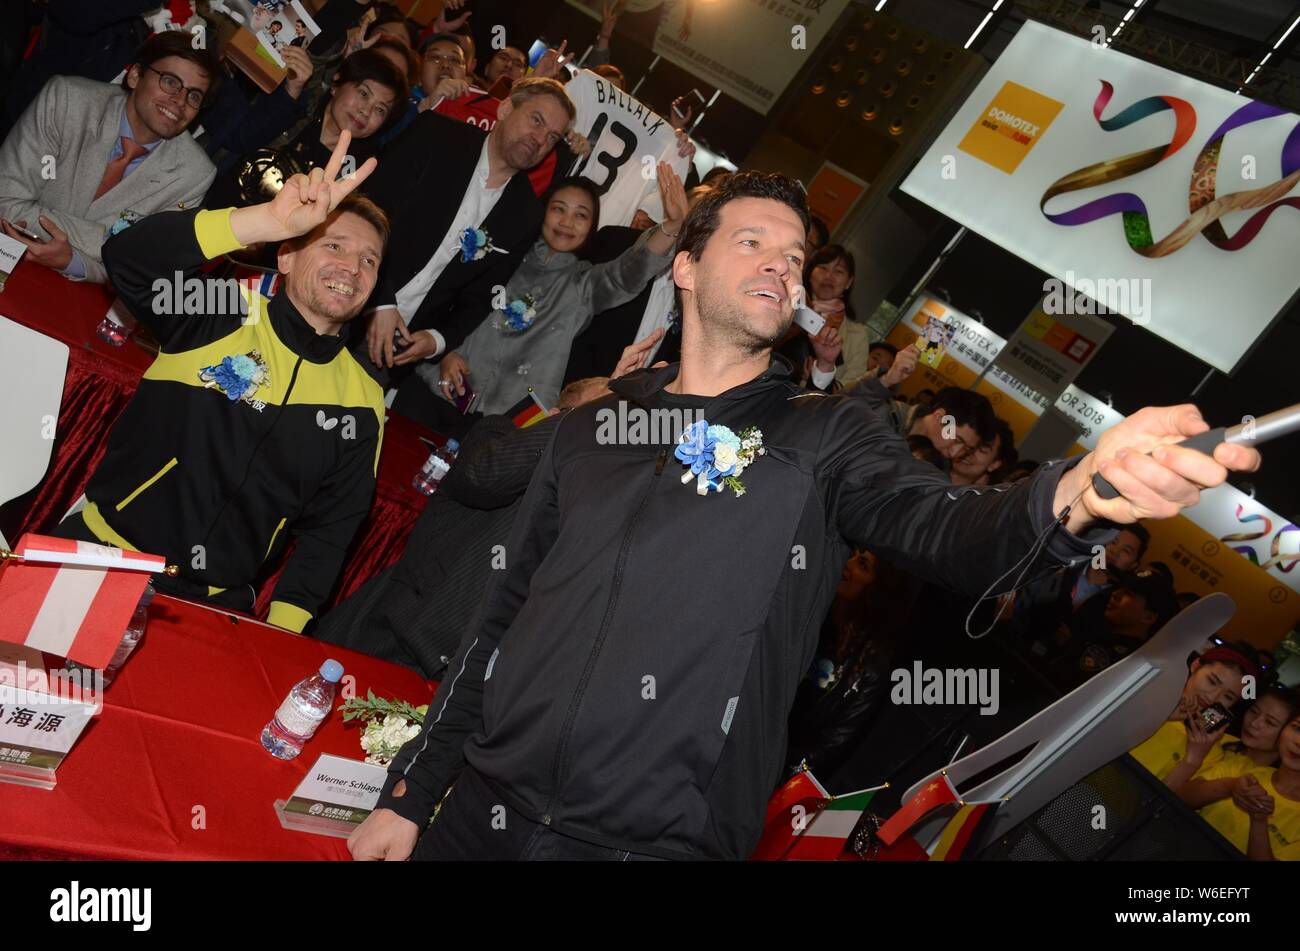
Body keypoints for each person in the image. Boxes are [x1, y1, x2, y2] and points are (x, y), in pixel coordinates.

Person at [347, 170, 1260, 861]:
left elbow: (949, 527)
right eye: (754, 244)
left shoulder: (824, 435)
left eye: (794, 258)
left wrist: (1076, 495)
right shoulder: (597, 424)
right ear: (689, 265)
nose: (783, 266)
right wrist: (410, 785)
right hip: (477, 811)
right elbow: (498, 618)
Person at [51, 134, 387, 633]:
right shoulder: (225, 309)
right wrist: (266, 221)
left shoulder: (365, 401)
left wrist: (281, 633)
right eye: (333, 245)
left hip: (217, 609)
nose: (351, 268)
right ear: (287, 257)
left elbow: (329, 535)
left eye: (369, 260)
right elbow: (128, 260)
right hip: (105, 556)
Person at [315, 334, 663, 676]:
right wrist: (599, 411)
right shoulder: (495, 436)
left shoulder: (596, 501)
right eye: (592, 417)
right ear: (556, 415)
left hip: (472, 683)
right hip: (389, 645)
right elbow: (485, 476)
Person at [409, 170, 684, 433]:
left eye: (581, 215)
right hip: (441, 391)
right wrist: (446, 350)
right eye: (558, 209)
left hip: (506, 426)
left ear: (592, 227)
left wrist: (671, 226)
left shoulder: (584, 284)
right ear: (543, 211)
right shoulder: (501, 253)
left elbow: (627, 273)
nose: (566, 222)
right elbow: (447, 301)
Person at [362, 78, 574, 375]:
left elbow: (482, 295)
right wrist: (382, 303)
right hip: (349, 301)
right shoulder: (436, 135)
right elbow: (367, 213)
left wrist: (437, 340)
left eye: (552, 137)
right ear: (504, 109)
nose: (540, 139)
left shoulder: (526, 214)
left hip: (399, 351)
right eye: (536, 120)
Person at [0, 30, 219, 282]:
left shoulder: (194, 175)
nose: (180, 101)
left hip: (84, 292)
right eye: (170, 82)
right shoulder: (68, 100)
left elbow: (145, 271)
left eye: (194, 96)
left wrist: (74, 262)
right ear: (136, 75)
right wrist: (107, 242)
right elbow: (6, 200)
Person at [204, 48, 406, 209]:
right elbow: (242, 138)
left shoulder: (353, 173)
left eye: (380, 109)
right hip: (206, 200)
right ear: (336, 83)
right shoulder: (299, 105)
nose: (366, 111)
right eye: (363, 93)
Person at [1130, 644, 1261, 780]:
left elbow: (1158, 799)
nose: (1212, 697)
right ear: (1195, 666)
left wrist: (1192, 760)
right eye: (1211, 681)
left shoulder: (1208, 751)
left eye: (1228, 697)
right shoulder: (1145, 693)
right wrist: (1160, 717)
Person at [1191, 714, 1300, 860]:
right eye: (1297, 729)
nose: (1298, 742)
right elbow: (1179, 798)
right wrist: (1231, 786)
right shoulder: (1242, 767)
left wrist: (1259, 820)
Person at [1172, 686, 1300, 798]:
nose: (1254, 723)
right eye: (1254, 711)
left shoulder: (1264, 784)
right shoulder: (1217, 739)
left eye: (1270, 722)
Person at [950, 417, 1016, 486]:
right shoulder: (938, 469)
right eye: (970, 441)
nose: (970, 450)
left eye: (982, 448)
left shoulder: (986, 496)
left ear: (994, 464)